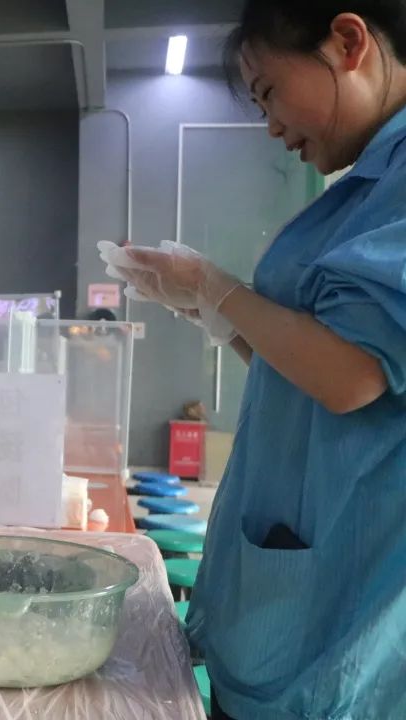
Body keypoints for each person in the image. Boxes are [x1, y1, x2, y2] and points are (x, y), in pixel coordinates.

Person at [100, 2, 406, 718]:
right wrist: (207, 308)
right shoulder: (368, 184)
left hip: (340, 596)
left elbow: (354, 376)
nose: (270, 125)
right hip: (297, 574)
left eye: (269, 93)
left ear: (348, 42)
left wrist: (218, 288)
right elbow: (303, 373)